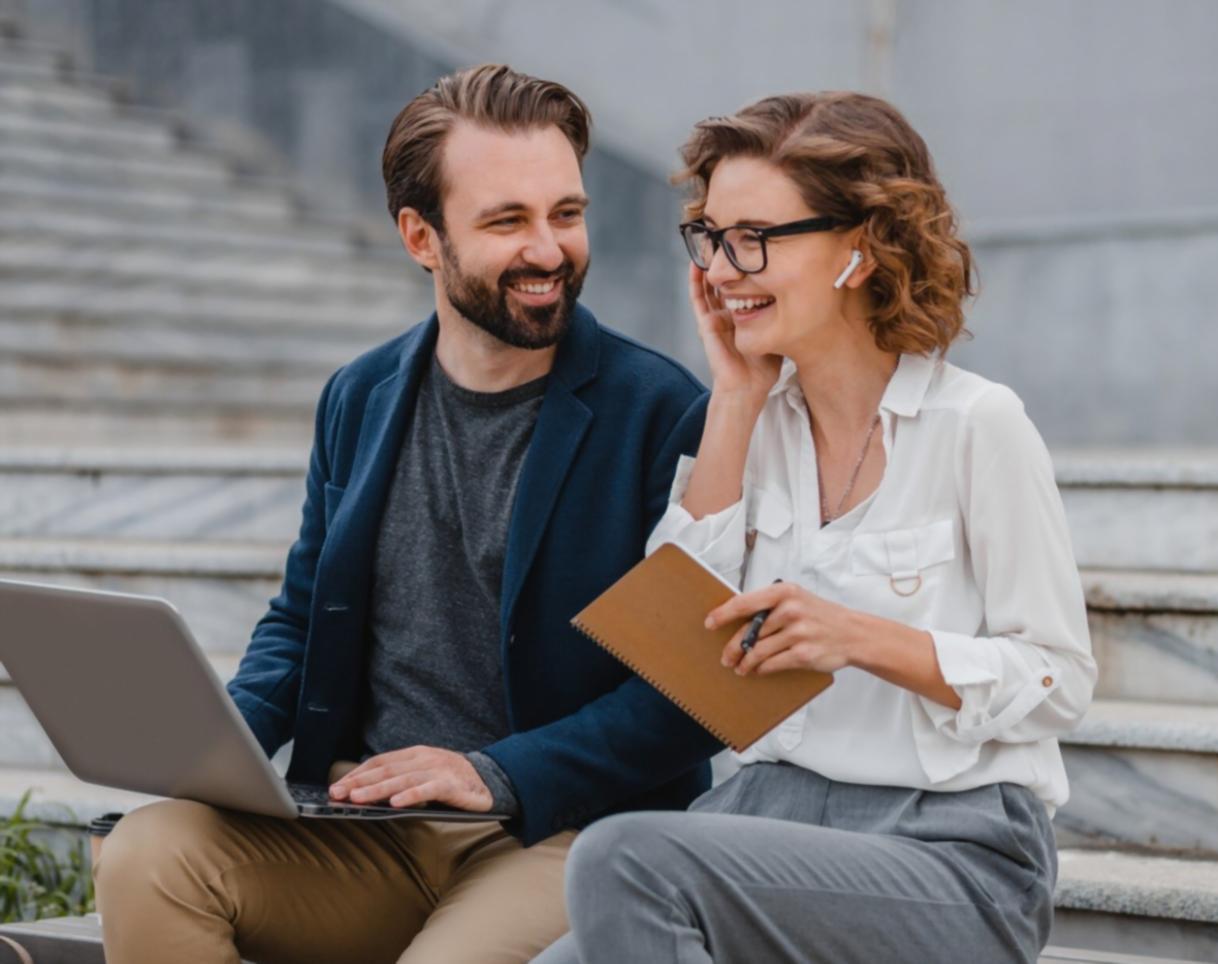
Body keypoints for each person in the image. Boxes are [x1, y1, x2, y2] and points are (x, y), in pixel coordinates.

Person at [92, 64, 721, 964]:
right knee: (148, 854)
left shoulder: (661, 411)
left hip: (560, 834)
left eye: (566, 214)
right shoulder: (359, 395)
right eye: (507, 221)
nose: (549, 250)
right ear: (420, 237)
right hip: (365, 831)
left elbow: (689, 695)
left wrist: (494, 773)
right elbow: (304, 619)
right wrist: (210, 754)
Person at [537, 91, 1098, 964]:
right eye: (712, 238)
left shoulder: (976, 426)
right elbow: (682, 632)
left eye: (754, 237)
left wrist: (862, 638)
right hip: (769, 822)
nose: (723, 269)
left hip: (951, 859)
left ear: (860, 246)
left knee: (624, 856)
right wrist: (731, 397)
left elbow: (1060, 679)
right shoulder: (752, 420)